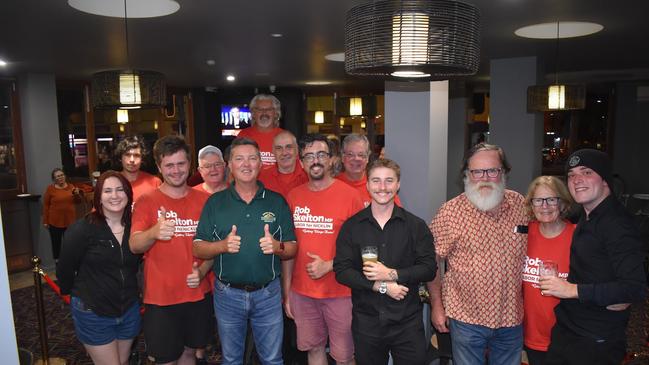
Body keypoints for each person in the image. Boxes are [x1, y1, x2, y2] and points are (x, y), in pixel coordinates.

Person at [193, 137, 297, 365]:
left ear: (260, 164)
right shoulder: (215, 203)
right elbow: (198, 247)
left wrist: (277, 247)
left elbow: (292, 248)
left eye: (252, 158)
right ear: (229, 164)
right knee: (231, 359)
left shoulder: (276, 202)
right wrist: (222, 246)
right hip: (227, 295)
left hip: (268, 294)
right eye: (239, 158)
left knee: (272, 359)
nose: (246, 164)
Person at [540, 149, 647, 365]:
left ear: (605, 180)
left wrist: (572, 290)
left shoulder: (618, 224)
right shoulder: (586, 216)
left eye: (586, 172)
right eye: (571, 175)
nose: (577, 180)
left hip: (594, 341)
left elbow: (635, 288)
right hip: (569, 331)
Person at [427, 143, 528, 365]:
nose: (484, 178)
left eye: (492, 170)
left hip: (511, 317)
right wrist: (436, 305)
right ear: (466, 175)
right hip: (465, 319)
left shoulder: (522, 205)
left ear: (504, 172)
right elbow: (430, 260)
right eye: (477, 171)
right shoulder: (450, 212)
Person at [334, 158, 437, 365]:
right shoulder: (352, 227)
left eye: (389, 181)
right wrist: (380, 286)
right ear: (368, 184)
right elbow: (342, 270)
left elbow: (429, 269)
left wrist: (392, 274)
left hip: (407, 324)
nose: (382, 187)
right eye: (376, 181)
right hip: (367, 323)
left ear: (398, 184)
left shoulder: (416, 226)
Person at [130, 135, 213, 365]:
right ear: (159, 167)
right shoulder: (147, 201)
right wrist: (154, 232)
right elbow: (134, 244)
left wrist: (203, 271)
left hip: (197, 294)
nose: (176, 170)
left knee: (189, 353)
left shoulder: (206, 201)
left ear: (189, 165)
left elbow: (214, 248)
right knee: (166, 359)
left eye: (181, 164)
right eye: (169, 165)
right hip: (161, 298)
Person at [283, 134, 365, 365]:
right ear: (301, 163)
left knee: (344, 357)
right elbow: (289, 251)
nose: (315, 160)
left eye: (321, 155)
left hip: (341, 292)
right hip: (302, 293)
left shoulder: (350, 196)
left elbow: (363, 247)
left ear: (331, 160)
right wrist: (287, 291)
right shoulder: (294, 197)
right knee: (314, 350)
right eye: (309, 156)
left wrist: (330, 265)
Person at [57, 170, 141, 365]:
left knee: (123, 361)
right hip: (94, 312)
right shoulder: (82, 229)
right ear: (98, 197)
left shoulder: (136, 227)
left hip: (128, 310)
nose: (114, 196)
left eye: (120, 190)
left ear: (128, 194)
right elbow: (65, 269)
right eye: (107, 191)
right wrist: (77, 298)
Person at [522, 176, 575, 365]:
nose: (545, 206)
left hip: (568, 335)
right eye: (538, 200)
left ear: (562, 203)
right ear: (531, 205)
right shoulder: (524, 234)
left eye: (552, 199)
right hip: (532, 334)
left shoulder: (577, 236)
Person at [337, 133, 401, 206]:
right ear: (342, 157)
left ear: (367, 158)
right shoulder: (332, 185)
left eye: (361, 155)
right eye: (350, 154)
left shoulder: (380, 185)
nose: (356, 158)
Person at [42, 167, 83, 260]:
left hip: (70, 221)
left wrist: (77, 194)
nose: (60, 177)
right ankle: (58, 264)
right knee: (56, 244)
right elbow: (46, 205)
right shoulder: (50, 189)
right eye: (57, 176)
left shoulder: (71, 187)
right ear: (54, 179)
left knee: (70, 243)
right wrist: (45, 221)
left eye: (61, 175)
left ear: (64, 176)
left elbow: (78, 201)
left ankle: (71, 263)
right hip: (54, 222)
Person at [236, 94, 285, 167]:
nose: (264, 113)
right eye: (259, 109)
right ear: (253, 113)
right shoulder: (243, 135)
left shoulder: (285, 137)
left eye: (269, 109)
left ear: (276, 113)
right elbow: (235, 165)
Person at [258, 130, 308, 198]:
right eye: (279, 148)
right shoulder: (262, 178)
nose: (284, 153)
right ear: (273, 152)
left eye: (289, 147)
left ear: (297, 150)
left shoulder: (308, 176)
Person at [116, 136, 161, 201]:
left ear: (142, 158)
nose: (132, 160)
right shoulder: (111, 183)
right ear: (120, 157)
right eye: (127, 155)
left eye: (136, 155)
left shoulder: (155, 182)